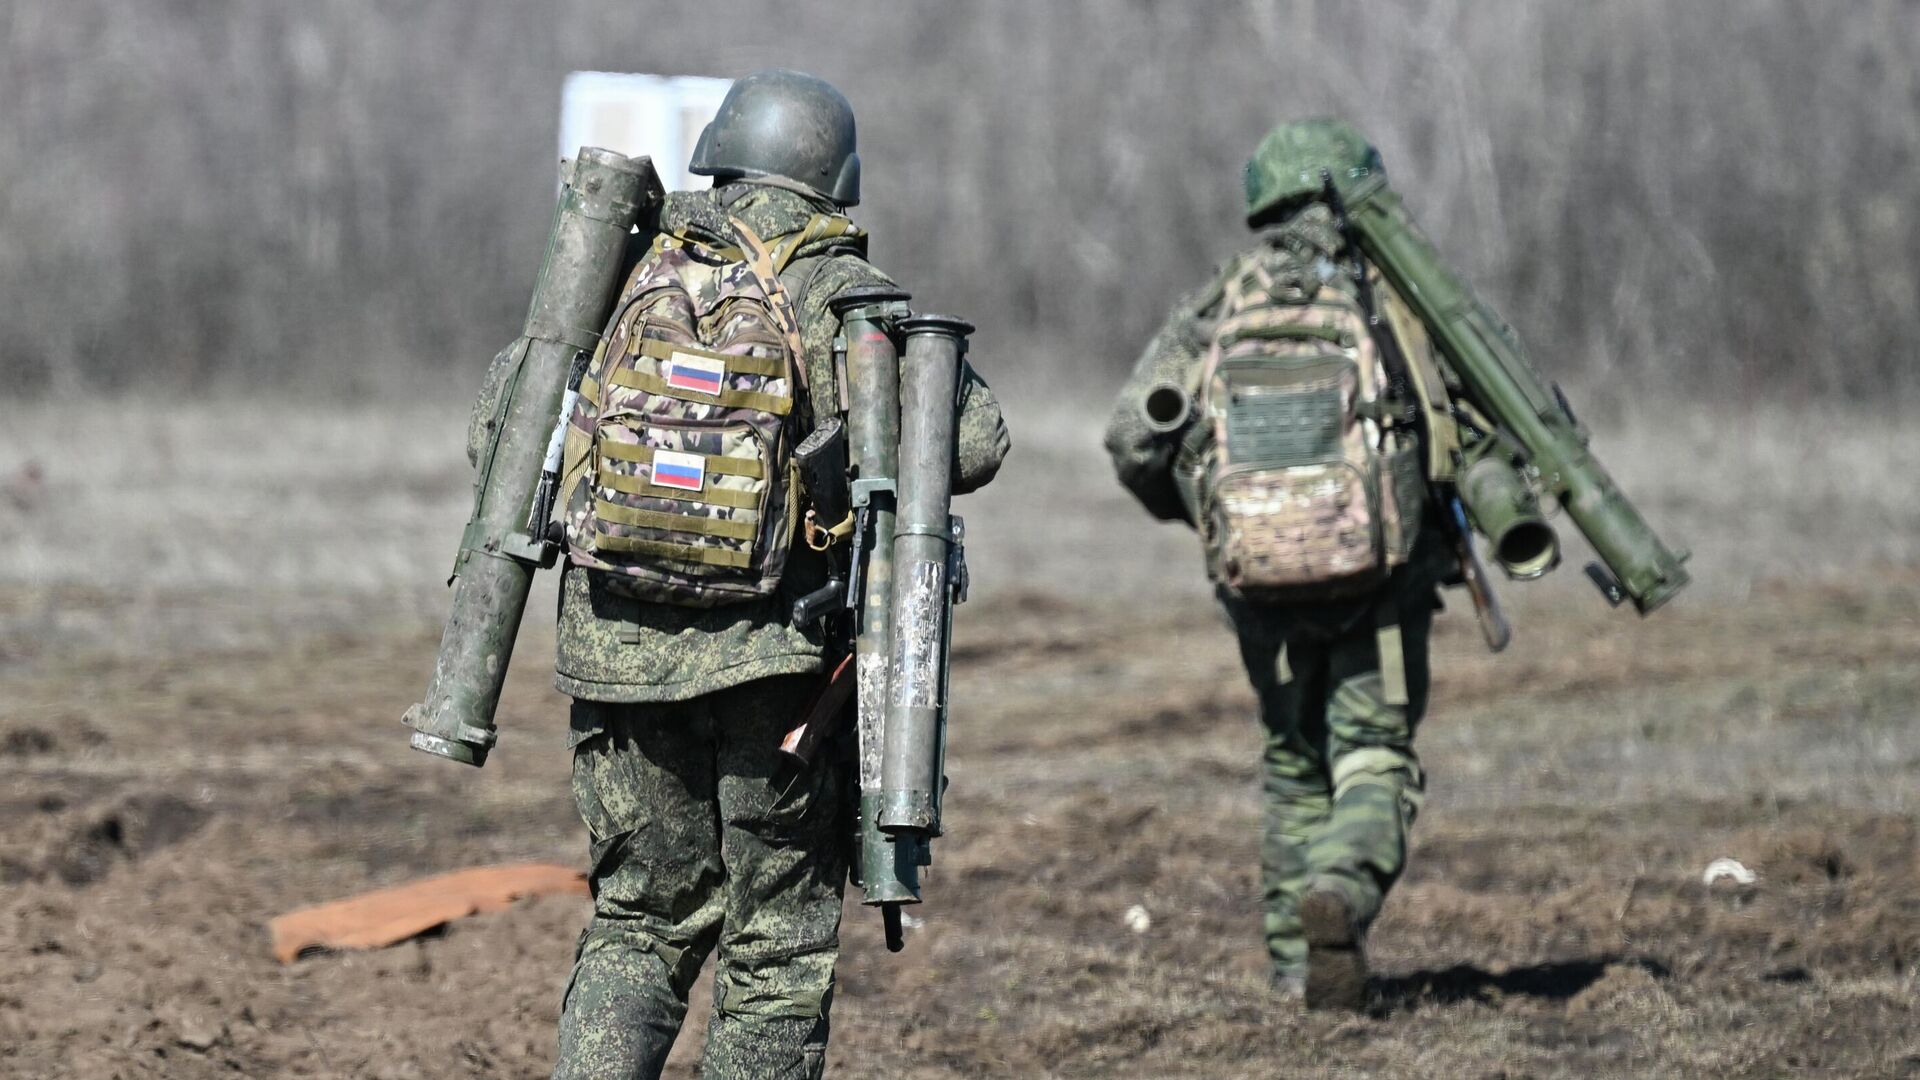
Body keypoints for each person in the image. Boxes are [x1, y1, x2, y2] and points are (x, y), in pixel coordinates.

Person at [548, 69, 1009, 1078]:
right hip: (778, 674)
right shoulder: (841, 293)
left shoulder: (618, 270)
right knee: (775, 960)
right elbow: (974, 441)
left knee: (637, 926)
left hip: (614, 658)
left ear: (719, 152)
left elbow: (501, 424)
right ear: (835, 174)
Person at [1103, 118, 1458, 1012]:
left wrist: (1217, 521)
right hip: (1383, 587)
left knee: (1294, 762)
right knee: (1372, 755)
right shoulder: (1396, 299)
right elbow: (1468, 430)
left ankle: (1296, 968)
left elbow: (1132, 439)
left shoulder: (1218, 305)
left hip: (1259, 592)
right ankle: (1339, 887)